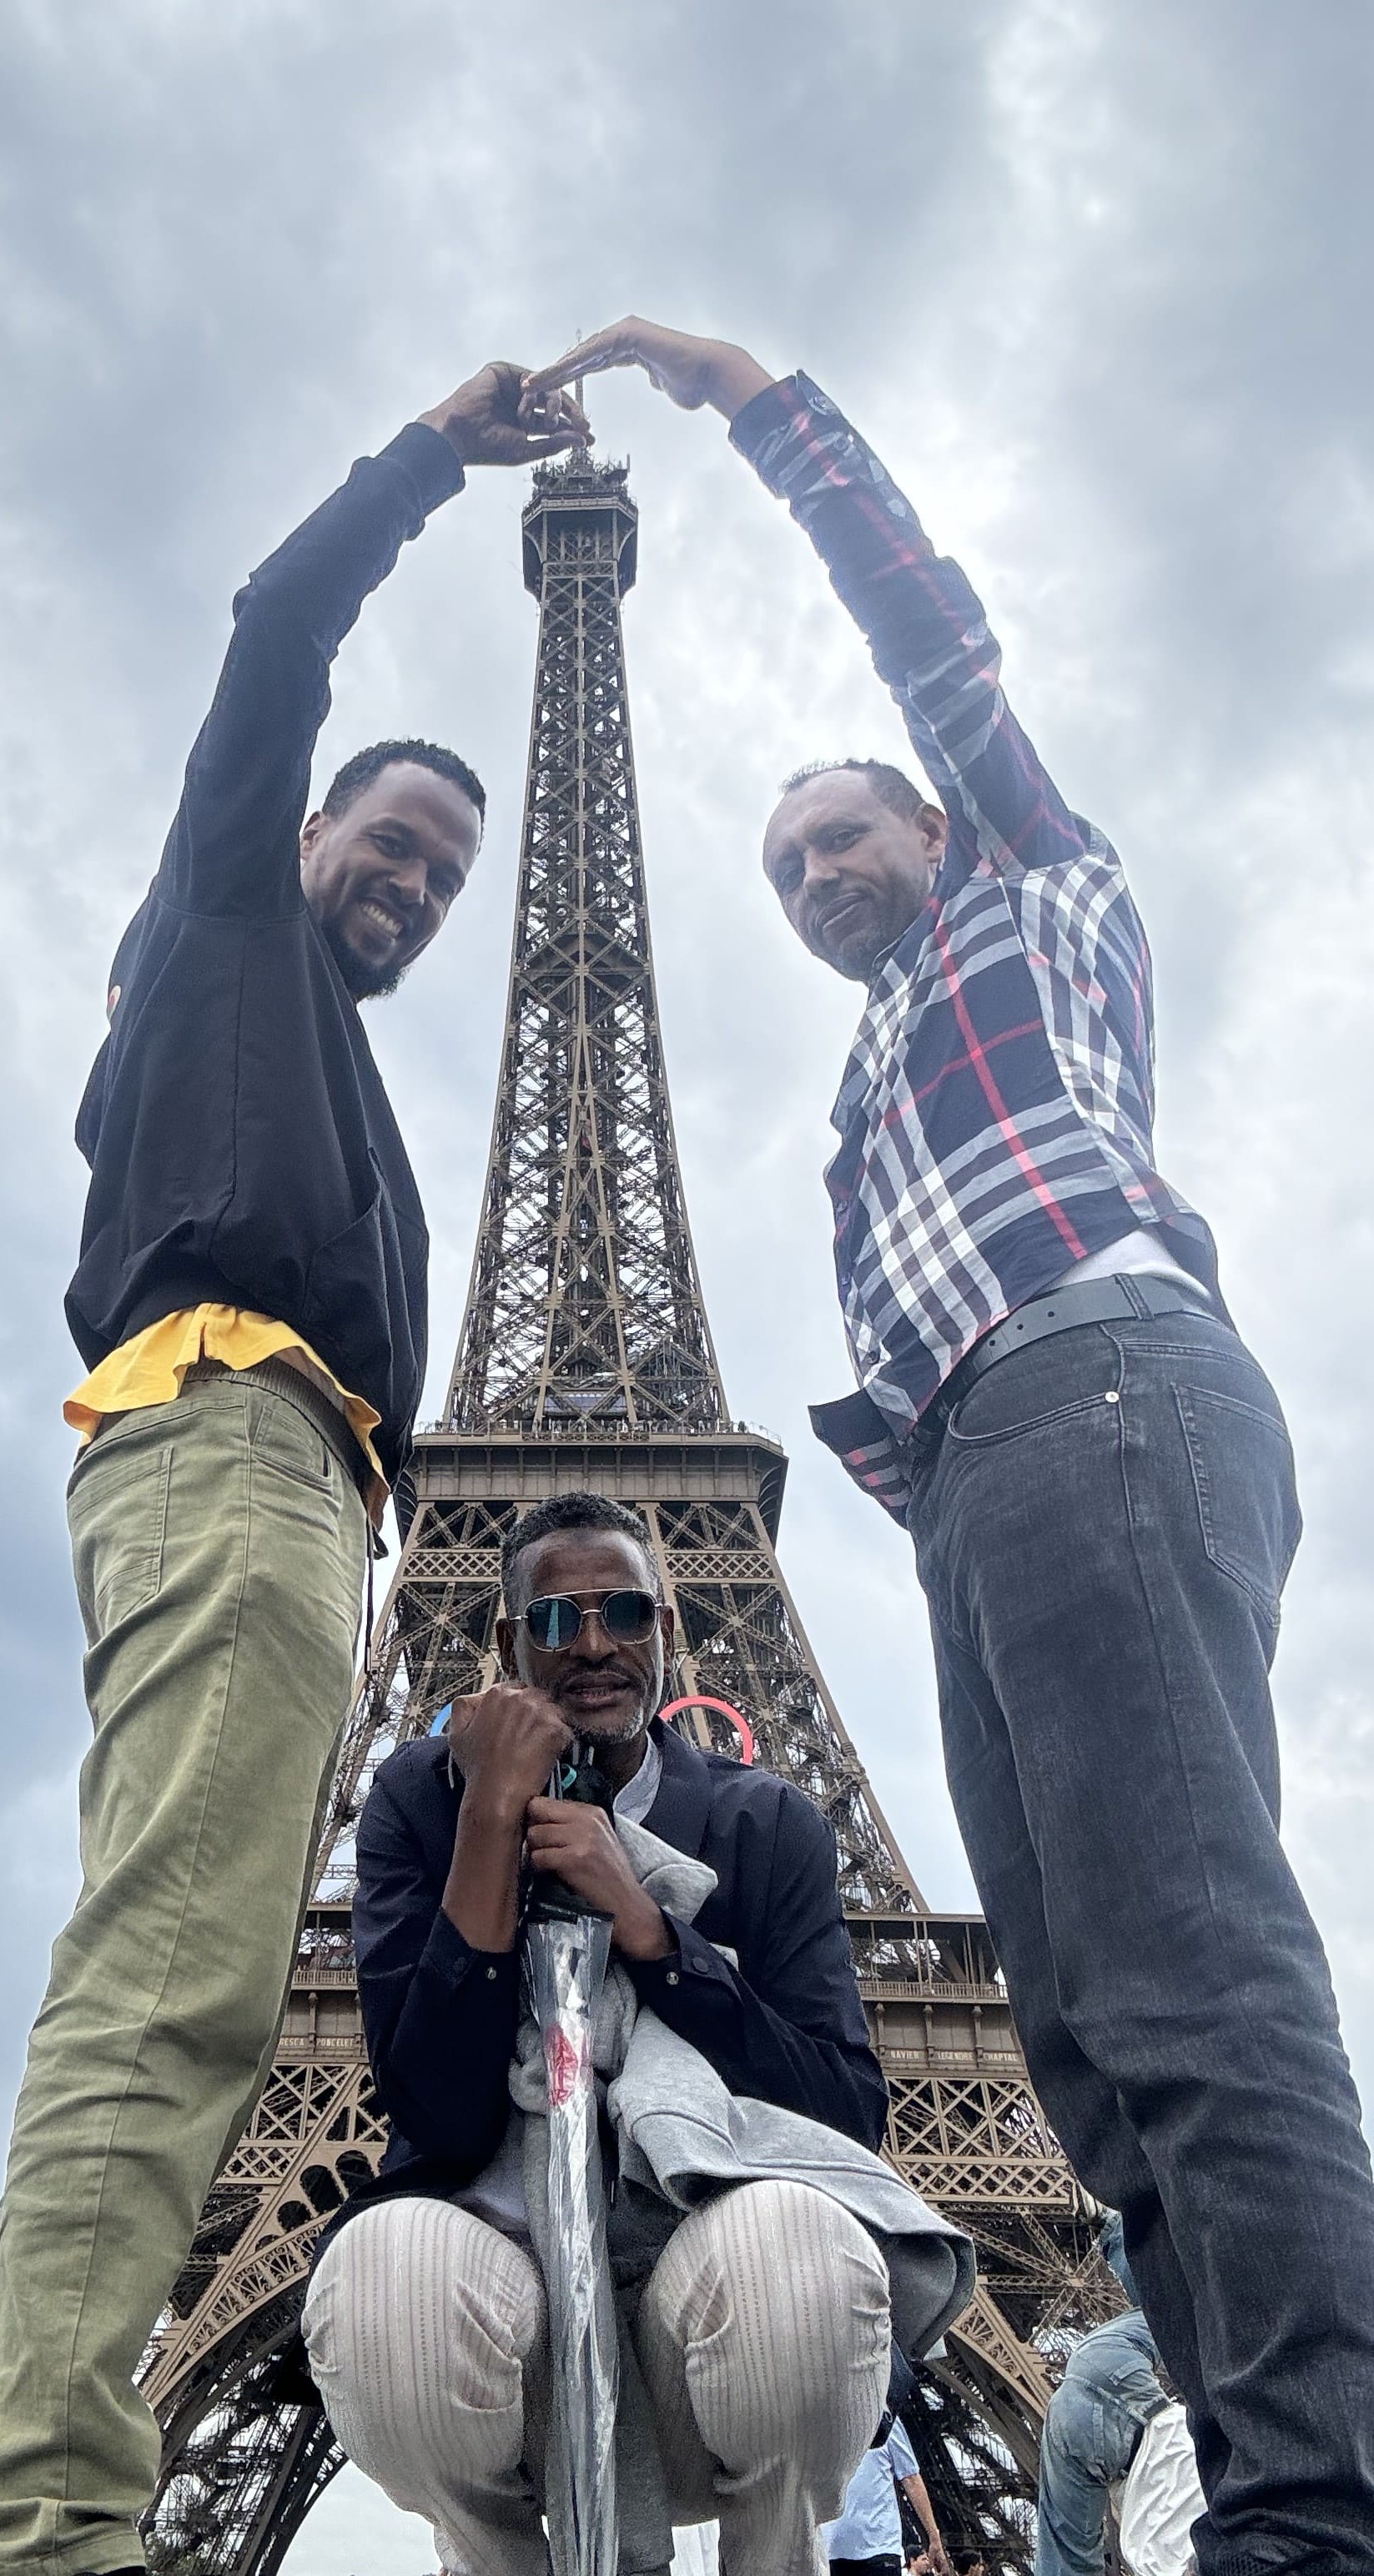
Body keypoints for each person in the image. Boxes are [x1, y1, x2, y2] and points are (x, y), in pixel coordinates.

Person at [525, 319, 1374, 2576]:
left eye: (846, 829)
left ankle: (1316, 2514)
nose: (818, 868)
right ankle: (1263, 2489)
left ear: (937, 823)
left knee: (1185, 1970)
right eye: (787, 860)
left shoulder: (1037, 892)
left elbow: (939, 639)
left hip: (1100, 1384)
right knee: (1080, 2048)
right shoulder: (868, 1083)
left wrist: (750, 404)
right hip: (990, 1471)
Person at [0, 360, 591, 2576]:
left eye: (444, 874)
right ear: (302, 832)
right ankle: (43, 2518)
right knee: (184, 1990)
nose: (412, 880)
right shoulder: (226, 921)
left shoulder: (331, 1082)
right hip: (227, 1434)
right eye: (388, 839)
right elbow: (270, 638)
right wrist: (428, 461)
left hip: (297, 1477)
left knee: (174, 1982)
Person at [302, 1490, 974, 2576]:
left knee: (800, 2252)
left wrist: (652, 1931)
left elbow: (844, 2116)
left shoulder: (764, 1823)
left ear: (667, 1626)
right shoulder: (423, 1804)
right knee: (387, 2279)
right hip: (503, 2315)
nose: (592, 1645)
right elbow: (435, 2114)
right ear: (507, 1646)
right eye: (554, 1620)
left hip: (715, 2311)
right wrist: (488, 1820)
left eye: (621, 1611)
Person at [1038, 2221, 1200, 2576]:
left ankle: (1126, 2223)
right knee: (1067, 2559)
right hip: (1120, 2413)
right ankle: (1123, 2227)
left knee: (1189, 2316)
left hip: (1134, 2407)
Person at [820, 2415, 953, 2576]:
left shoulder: (885, 2419)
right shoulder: (883, 2418)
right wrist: (933, 2535)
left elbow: (911, 2477)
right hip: (836, 2550)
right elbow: (910, 2479)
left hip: (874, 2548)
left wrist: (934, 2536)